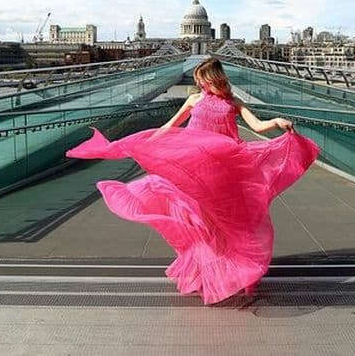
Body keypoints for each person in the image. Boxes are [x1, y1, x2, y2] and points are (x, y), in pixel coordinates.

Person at [66, 57, 319, 304]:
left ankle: (235, 272)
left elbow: (257, 126)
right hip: (193, 169)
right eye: (198, 81)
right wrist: (141, 144)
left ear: (213, 80)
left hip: (221, 170)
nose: (199, 85)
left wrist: (276, 121)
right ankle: (207, 274)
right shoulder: (194, 99)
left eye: (202, 80)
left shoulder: (232, 101)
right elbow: (170, 126)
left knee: (226, 223)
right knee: (200, 222)